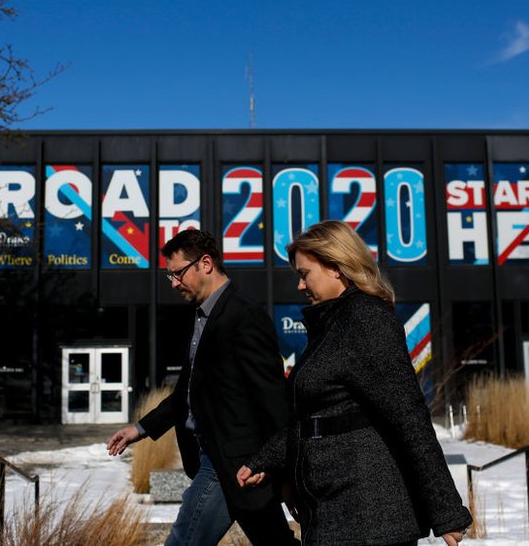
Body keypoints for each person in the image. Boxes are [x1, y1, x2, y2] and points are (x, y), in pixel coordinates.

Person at [236, 220, 472, 546]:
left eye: (305, 274)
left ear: (337, 267)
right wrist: (266, 459)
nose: (300, 286)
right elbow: (319, 417)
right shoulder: (332, 325)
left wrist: (445, 508)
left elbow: (407, 414)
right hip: (334, 508)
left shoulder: (365, 320)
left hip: (369, 516)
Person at [106, 229, 298, 546]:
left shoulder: (244, 317)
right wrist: (139, 429)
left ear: (205, 263)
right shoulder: (201, 317)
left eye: (177, 273)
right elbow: (187, 393)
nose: (173, 283)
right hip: (224, 464)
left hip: (234, 463)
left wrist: (281, 470)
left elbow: (273, 401)